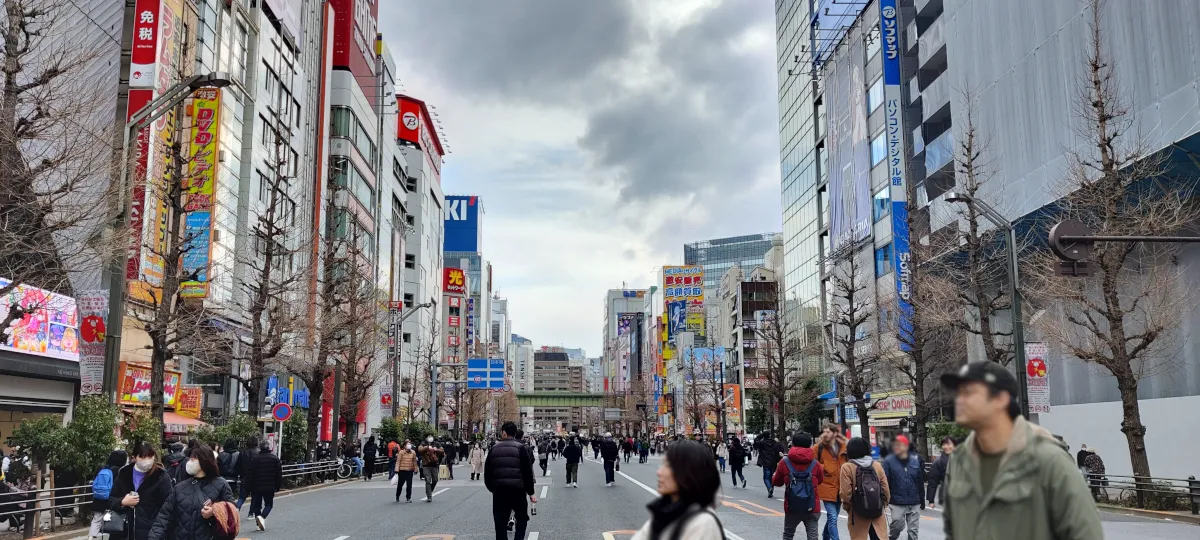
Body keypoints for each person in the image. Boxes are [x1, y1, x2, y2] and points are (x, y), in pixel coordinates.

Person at [939, 361, 1102, 540]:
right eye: (958, 393)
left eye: (968, 392)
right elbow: (952, 530)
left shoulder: (1049, 459)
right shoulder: (959, 460)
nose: (959, 400)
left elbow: (1086, 534)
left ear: (1001, 399)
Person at [629, 440, 724, 540]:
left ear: (689, 473)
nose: (659, 472)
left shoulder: (702, 523)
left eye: (668, 466)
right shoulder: (665, 511)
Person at [147, 445, 235, 540]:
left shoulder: (221, 484)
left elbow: (232, 513)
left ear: (204, 461)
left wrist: (214, 512)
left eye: (193, 460)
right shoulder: (180, 487)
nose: (189, 463)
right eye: (189, 459)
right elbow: (164, 517)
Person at [109, 442, 174, 540]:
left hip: (150, 532)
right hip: (124, 531)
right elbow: (111, 499)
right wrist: (122, 502)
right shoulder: (124, 473)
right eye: (143, 457)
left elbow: (168, 507)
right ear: (134, 458)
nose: (147, 460)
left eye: (150, 456)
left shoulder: (161, 476)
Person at [485, 422, 537, 540]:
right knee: (522, 519)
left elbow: (488, 472)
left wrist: (493, 488)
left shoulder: (494, 449)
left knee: (500, 522)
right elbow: (527, 472)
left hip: (500, 491)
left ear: (503, 432)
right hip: (518, 491)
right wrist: (530, 492)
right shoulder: (521, 448)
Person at [773, 432, 824, 540]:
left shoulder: (784, 462)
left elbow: (777, 482)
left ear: (793, 443)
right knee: (813, 536)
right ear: (809, 444)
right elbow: (820, 481)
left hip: (792, 506)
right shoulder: (815, 464)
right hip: (812, 506)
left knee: (788, 535)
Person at [839, 437, 889, 540]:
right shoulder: (877, 465)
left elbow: (845, 493)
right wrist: (882, 504)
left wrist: (849, 508)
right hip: (877, 511)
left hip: (857, 512)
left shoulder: (847, 467)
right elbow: (885, 489)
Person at [881, 435, 923, 540]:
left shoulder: (914, 461)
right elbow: (885, 481)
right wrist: (884, 498)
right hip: (896, 501)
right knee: (897, 525)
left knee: (913, 530)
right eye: (895, 445)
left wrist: (922, 499)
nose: (897, 447)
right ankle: (892, 537)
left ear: (906, 446)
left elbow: (920, 481)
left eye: (900, 445)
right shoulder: (888, 461)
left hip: (914, 501)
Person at [814, 423, 848, 540]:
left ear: (834, 433)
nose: (825, 434)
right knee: (832, 516)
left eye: (828, 432)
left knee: (833, 517)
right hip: (826, 485)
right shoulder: (819, 447)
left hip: (840, 487)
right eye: (824, 432)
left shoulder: (844, 447)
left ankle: (825, 536)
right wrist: (825, 468)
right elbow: (813, 464)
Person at [88, 450, 127, 539]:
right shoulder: (119, 471)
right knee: (113, 517)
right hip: (110, 498)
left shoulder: (102, 468)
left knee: (96, 519)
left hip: (98, 497)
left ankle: (90, 537)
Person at [245, 440, 282, 531]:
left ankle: (258, 524)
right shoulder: (274, 458)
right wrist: (278, 486)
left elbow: (250, 474)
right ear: (269, 447)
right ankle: (262, 517)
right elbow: (279, 474)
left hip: (256, 486)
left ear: (260, 447)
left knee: (257, 506)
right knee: (269, 504)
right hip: (270, 486)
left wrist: (248, 487)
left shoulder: (254, 459)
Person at [925, 437, 954, 510]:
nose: (946, 447)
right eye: (944, 444)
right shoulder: (938, 462)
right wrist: (931, 500)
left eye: (949, 444)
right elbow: (932, 481)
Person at [757, 431, 784, 499]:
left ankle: (769, 489)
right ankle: (771, 490)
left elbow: (756, 442)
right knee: (772, 477)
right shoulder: (775, 443)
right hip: (773, 462)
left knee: (766, 478)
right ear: (769, 435)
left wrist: (760, 436)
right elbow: (781, 448)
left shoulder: (762, 443)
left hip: (765, 462)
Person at [417, 436, 444, 502]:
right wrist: (427, 447)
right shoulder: (423, 443)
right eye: (428, 437)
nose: (430, 438)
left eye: (431, 437)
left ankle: (429, 490)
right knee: (428, 480)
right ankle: (429, 496)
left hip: (435, 464)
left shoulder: (437, 444)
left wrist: (436, 449)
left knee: (435, 480)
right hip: (426, 465)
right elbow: (420, 450)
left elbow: (442, 451)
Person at [235, 438, 256, 509]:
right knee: (255, 496)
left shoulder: (242, 452)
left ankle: (237, 509)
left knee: (241, 497)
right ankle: (251, 513)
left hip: (244, 477)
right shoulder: (258, 452)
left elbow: (238, 465)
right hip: (255, 478)